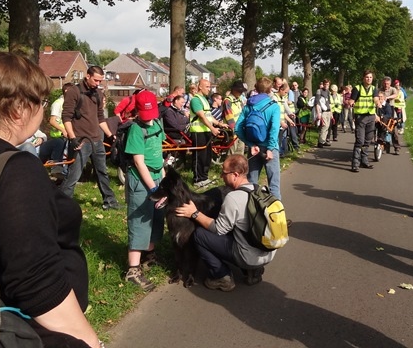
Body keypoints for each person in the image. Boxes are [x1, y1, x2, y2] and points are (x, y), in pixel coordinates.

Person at [0, 49, 102, 348]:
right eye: (41, 101)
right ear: (18, 109)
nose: (43, 109)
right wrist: (88, 342)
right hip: (27, 328)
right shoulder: (15, 168)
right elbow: (37, 281)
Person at [175, 154, 275, 291]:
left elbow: (218, 230)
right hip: (267, 253)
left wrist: (194, 213)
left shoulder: (233, 198)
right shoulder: (261, 189)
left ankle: (222, 276)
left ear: (235, 174)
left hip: (247, 256)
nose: (221, 176)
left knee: (199, 235)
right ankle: (255, 270)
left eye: (224, 172)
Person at [60, 66, 120, 210]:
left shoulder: (98, 93)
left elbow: (100, 118)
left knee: (102, 173)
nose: (98, 84)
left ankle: (110, 202)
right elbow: (66, 117)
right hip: (81, 140)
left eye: (100, 81)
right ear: (87, 76)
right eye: (96, 80)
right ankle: (61, 205)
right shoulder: (74, 91)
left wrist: (111, 135)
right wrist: (73, 138)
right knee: (74, 175)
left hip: (97, 140)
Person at [124, 90, 166, 291]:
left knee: (157, 217)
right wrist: (153, 187)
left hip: (157, 176)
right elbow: (139, 163)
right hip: (142, 180)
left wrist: (163, 176)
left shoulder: (157, 123)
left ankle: (149, 256)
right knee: (140, 220)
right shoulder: (135, 130)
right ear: (137, 111)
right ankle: (133, 269)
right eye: (145, 114)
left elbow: (160, 151)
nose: (149, 118)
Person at [235, 77, 282, 200]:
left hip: (254, 148)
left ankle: (252, 213)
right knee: (274, 185)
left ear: (256, 88)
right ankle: (276, 217)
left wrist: (250, 144)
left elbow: (237, 128)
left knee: (251, 184)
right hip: (269, 148)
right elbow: (274, 129)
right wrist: (271, 148)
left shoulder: (248, 106)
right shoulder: (274, 106)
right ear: (270, 89)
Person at [189, 79, 227, 188]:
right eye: (207, 87)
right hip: (198, 132)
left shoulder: (205, 100)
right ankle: (197, 180)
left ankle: (204, 178)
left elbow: (209, 116)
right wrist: (212, 128)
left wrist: (219, 124)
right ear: (200, 87)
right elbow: (201, 116)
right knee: (199, 157)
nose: (209, 89)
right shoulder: (196, 100)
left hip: (206, 132)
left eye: (210, 87)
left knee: (207, 156)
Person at [348, 70, 379, 172]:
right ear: (363, 78)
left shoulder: (374, 89)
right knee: (360, 140)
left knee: (368, 140)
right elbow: (352, 100)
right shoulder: (357, 88)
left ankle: (364, 161)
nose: (369, 79)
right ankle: (355, 164)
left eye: (370, 77)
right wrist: (351, 103)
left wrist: (378, 103)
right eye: (367, 77)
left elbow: (375, 99)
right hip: (360, 117)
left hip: (371, 117)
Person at [223, 80, 247, 155]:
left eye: (241, 91)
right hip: (232, 131)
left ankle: (239, 167)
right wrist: (234, 129)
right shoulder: (228, 101)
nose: (240, 93)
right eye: (239, 91)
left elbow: (243, 113)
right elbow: (229, 117)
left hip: (241, 129)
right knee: (232, 152)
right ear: (234, 90)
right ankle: (229, 166)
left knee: (240, 151)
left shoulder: (239, 100)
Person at [315, 79, 332, 148]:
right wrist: (318, 113)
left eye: (327, 84)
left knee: (327, 126)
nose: (326, 86)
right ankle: (320, 142)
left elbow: (329, 102)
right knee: (324, 126)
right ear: (323, 84)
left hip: (328, 110)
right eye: (325, 84)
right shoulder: (319, 91)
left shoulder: (328, 91)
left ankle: (323, 140)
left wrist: (331, 112)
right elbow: (317, 103)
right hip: (323, 111)